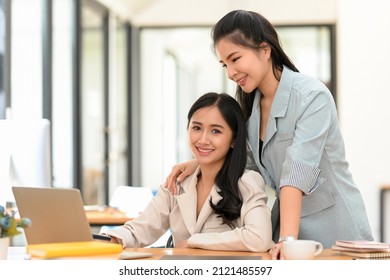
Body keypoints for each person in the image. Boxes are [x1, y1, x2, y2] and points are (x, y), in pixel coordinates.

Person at [164, 10, 373, 259]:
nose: (230, 72)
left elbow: (298, 171)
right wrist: (197, 163)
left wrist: (288, 240)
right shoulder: (251, 110)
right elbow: (248, 165)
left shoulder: (311, 96)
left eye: (235, 58)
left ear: (265, 50)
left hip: (335, 231)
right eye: (224, 64)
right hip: (286, 228)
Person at [104, 92, 273, 252]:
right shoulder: (178, 182)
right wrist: (106, 239)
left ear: (234, 140)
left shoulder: (246, 182)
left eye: (216, 131)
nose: (203, 139)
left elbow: (259, 237)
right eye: (197, 128)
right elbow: (141, 229)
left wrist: (194, 242)